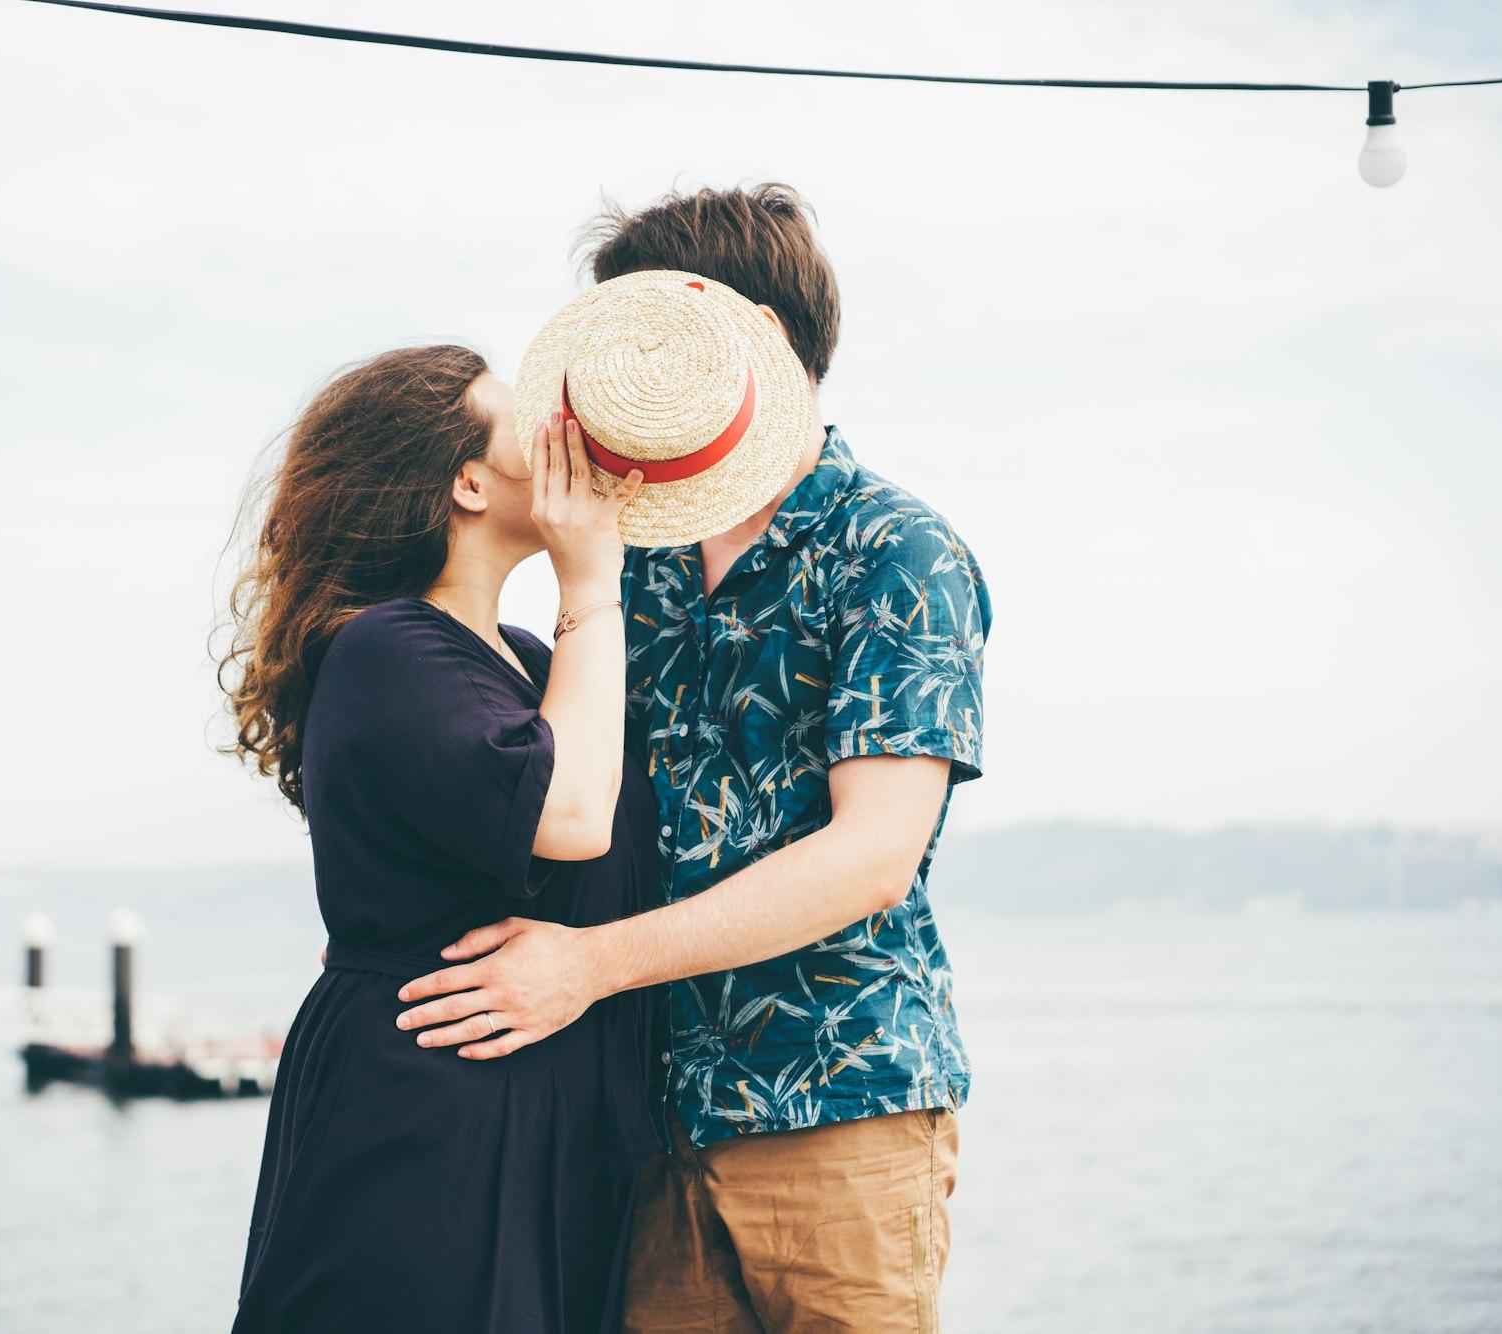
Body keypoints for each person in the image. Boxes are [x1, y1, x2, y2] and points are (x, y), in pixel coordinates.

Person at [396, 185, 993, 1331]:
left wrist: (584, 965)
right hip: (646, 1120)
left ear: (753, 339)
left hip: (842, 1107)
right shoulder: (634, 564)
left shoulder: (893, 549)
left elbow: (869, 856)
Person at [218, 344, 656, 1332]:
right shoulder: (383, 647)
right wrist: (592, 580)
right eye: (520, 422)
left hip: (541, 1102)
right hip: (431, 1098)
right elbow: (575, 818)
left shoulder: (531, 662)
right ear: (465, 480)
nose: (555, 441)